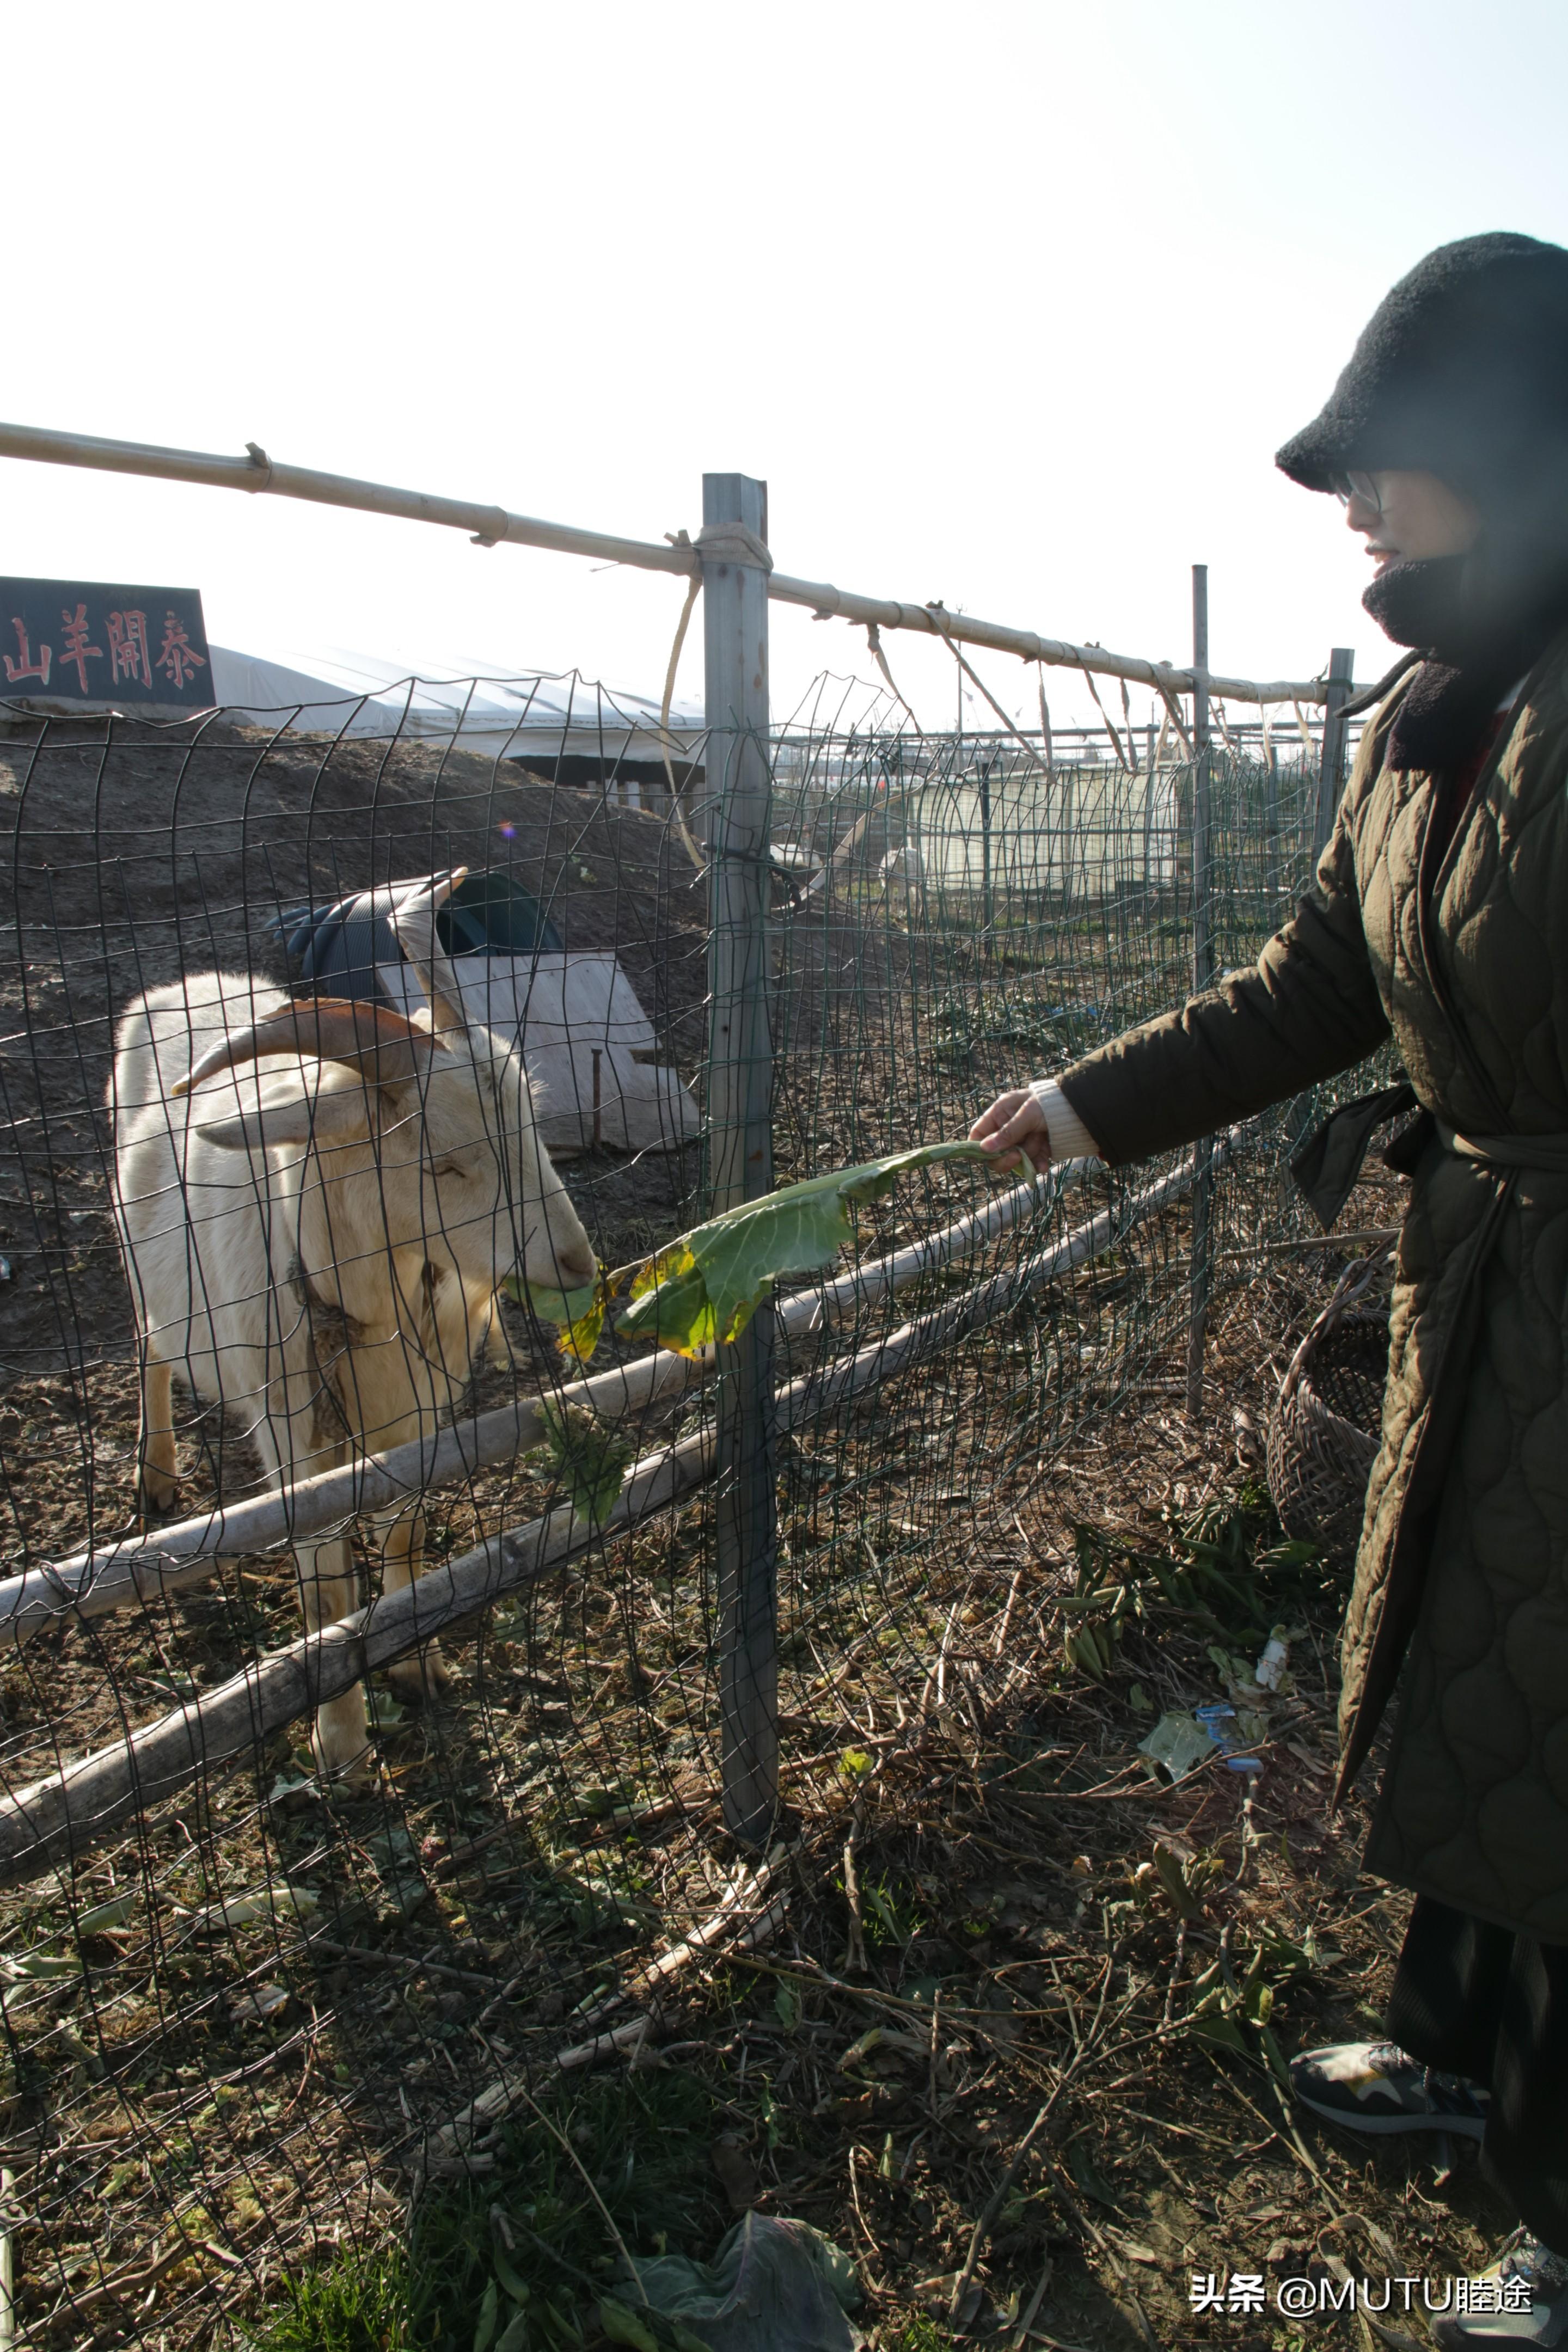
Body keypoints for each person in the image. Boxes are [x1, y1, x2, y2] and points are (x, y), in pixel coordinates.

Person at [970, 232, 1568, 2349]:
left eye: (1386, 457)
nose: (1350, 503)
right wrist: (1082, 1102)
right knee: (1457, 1673)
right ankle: (1453, 2049)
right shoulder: (1429, 714)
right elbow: (1316, 987)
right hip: (1486, 1281)